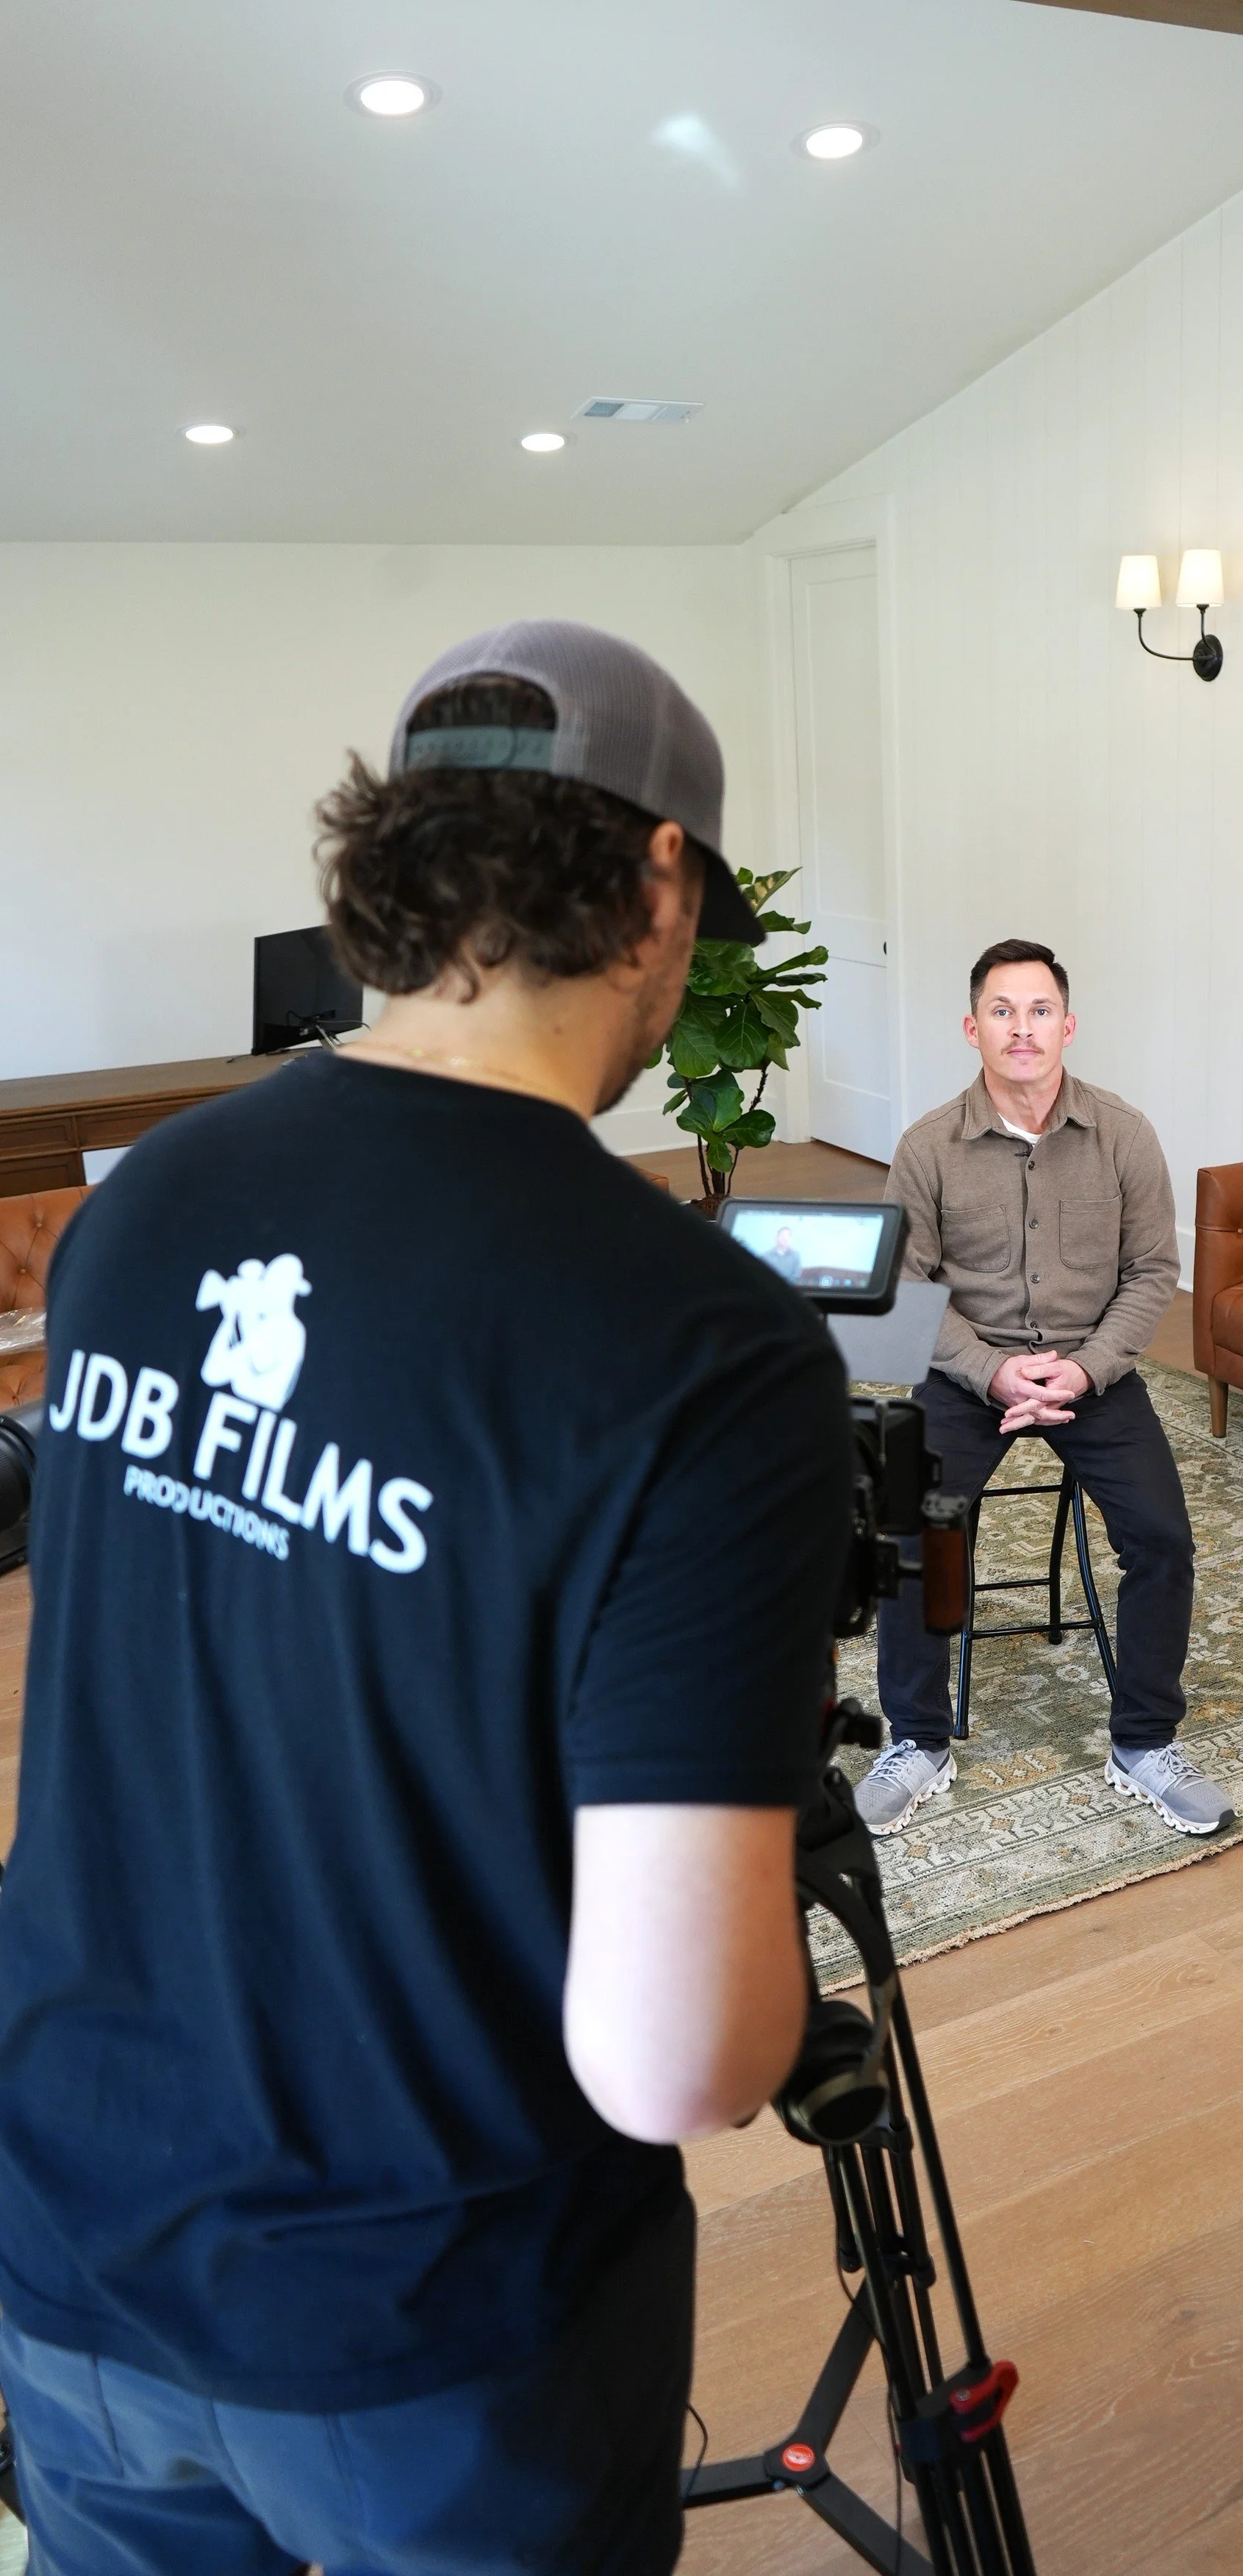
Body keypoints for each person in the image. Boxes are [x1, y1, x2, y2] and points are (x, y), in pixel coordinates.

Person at [0, 623, 853, 2576]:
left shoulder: (146, 1210)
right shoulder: (700, 1352)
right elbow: (676, 2063)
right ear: (662, 884)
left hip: (63, 2222)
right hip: (425, 2344)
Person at [856, 938, 1234, 1841]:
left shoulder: (1124, 1134)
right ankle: (916, 1742)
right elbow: (903, 1289)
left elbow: (1151, 1271)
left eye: (1036, 1012)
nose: (1019, 1030)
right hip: (965, 1369)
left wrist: (1083, 1368)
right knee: (910, 1531)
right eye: (1000, 1011)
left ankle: (1142, 1744)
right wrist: (991, 1370)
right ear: (970, 1027)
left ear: (1066, 1025)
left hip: (1089, 1370)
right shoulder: (925, 1147)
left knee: (1162, 1539)